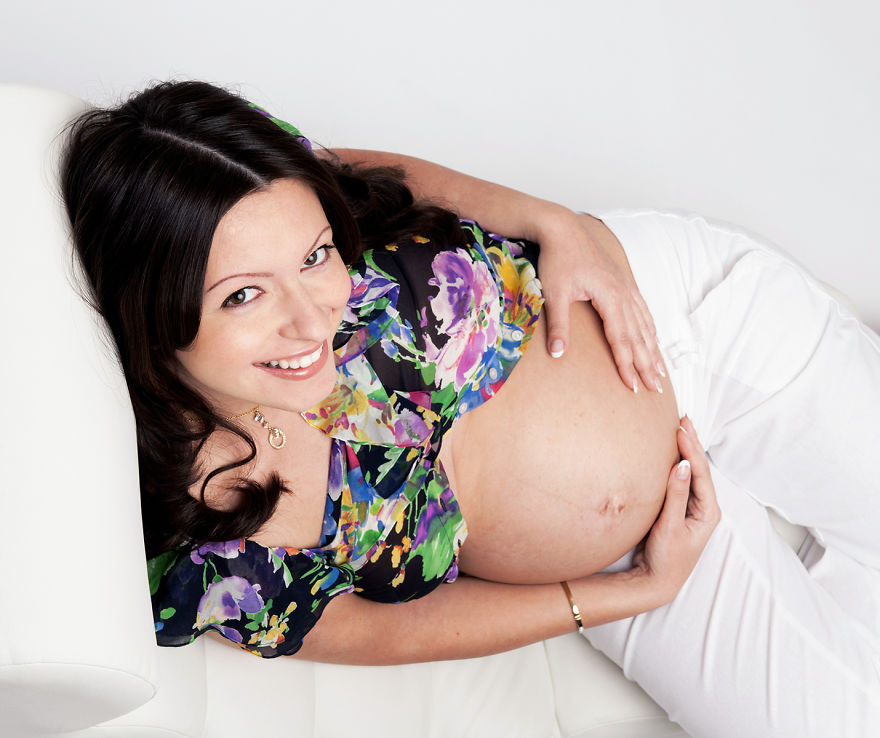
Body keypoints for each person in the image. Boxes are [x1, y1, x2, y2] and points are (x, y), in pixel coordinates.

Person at [61, 80, 879, 737]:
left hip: (680, 314)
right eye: (243, 295)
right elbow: (387, 633)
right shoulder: (213, 546)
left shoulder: (257, 184)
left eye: (316, 256)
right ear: (151, 309)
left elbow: (364, 175)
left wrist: (556, 225)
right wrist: (635, 593)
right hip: (636, 559)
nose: (314, 319)